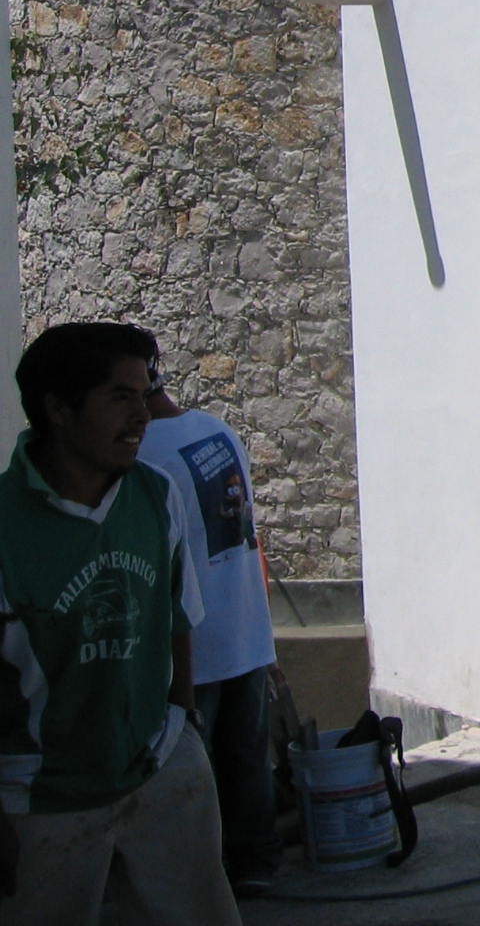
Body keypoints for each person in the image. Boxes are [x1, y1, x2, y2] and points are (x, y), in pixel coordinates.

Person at [0, 321, 240, 923]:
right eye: (119, 397)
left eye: (143, 395)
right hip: (41, 792)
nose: (141, 416)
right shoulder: (6, 524)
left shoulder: (155, 495)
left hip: (159, 761)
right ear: (58, 409)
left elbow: (177, 619)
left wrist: (183, 726)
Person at [139, 337, 281, 896]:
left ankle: (204, 883)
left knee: (191, 773)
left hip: (192, 645)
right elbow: (249, 536)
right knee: (248, 761)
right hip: (246, 630)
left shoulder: (142, 455)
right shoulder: (217, 430)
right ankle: (257, 868)